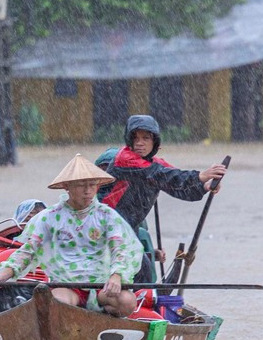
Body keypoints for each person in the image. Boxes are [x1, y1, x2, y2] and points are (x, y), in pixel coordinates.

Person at [0, 155, 146, 318]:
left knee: (127, 301)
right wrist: (3, 276)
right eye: (81, 185)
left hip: (101, 287)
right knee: (57, 302)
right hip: (67, 286)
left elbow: (120, 249)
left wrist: (117, 275)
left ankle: (102, 320)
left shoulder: (106, 216)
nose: (88, 191)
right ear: (67, 186)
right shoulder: (49, 217)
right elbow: (28, 251)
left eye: (92, 185)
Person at [94, 115, 228, 284]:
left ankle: (140, 304)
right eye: (135, 138)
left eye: (145, 138)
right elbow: (164, 176)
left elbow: (179, 187)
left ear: (154, 142)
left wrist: (205, 186)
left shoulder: (157, 165)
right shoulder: (124, 159)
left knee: (144, 271)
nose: (139, 143)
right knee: (140, 268)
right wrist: (200, 176)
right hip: (106, 226)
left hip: (128, 229)